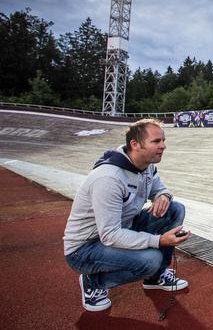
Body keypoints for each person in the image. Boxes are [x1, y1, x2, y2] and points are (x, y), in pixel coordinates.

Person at [63, 118, 190, 312]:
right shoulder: (109, 178)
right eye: (156, 142)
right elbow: (110, 235)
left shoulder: (146, 166)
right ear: (135, 145)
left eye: (163, 141)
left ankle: (155, 277)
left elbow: (160, 188)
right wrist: (158, 240)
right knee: (151, 260)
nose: (163, 146)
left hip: (121, 229)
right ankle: (93, 282)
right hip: (85, 248)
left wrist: (163, 195)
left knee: (175, 209)